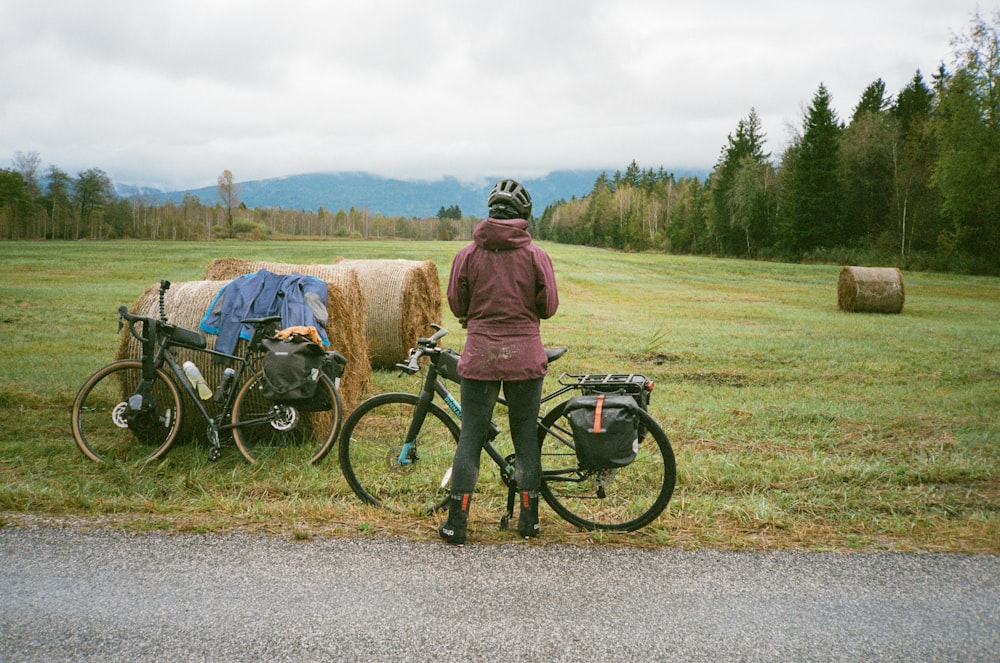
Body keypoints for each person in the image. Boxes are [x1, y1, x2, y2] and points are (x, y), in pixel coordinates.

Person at [439, 179, 559, 545]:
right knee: (525, 440)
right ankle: (529, 521)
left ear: (490, 213)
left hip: (480, 357)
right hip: (525, 357)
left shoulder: (467, 255)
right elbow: (549, 307)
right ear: (523, 216)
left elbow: (457, 305)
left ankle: (456, 524)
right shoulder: (536, 255)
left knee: (470, 438)